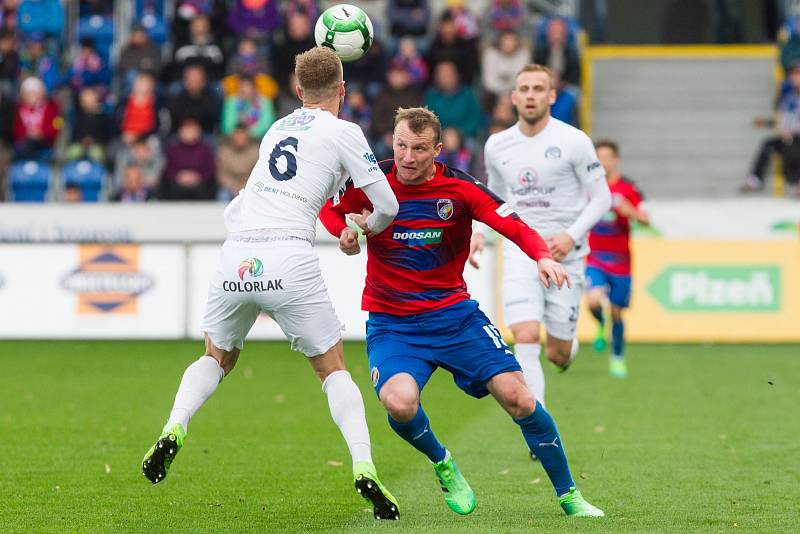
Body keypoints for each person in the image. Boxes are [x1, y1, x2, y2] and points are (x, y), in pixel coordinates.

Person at [141, 46, 401, 521]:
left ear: (297, 90)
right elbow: (387, 204)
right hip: (289, 255)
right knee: (333, 369)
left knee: (215, 356)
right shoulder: (345, 130)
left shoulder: (278, 127)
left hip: (236, 253)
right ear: (342, 90)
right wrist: (363, 227)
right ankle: (364, 465)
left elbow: (241, 204)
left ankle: (174, 426)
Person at [319, 107, 604, 518]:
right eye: (401, 145)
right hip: (393, 323)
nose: (408, 156)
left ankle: (569, 495)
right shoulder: (371, 181)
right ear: (392, 143)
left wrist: (541, 256)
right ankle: (442, 462)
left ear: (437, 149)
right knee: (398, 402)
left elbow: (514, 225)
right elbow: (328, 207)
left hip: (455, 317)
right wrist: (344, 232)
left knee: (519, 397)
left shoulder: (460, 189)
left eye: (419, 148)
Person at [470, 65, 611, 411]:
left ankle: (566, 345)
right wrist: (479, 232)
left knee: (558, 354)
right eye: (524, 89)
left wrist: (570, 235)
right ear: (514, 97)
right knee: (526, 335)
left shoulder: (574, 141)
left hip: (567, 254)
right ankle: (540, 422)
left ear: (551, 96)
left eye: (538, 89)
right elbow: (495, 200)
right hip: (521, 251)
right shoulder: (498, 145)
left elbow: (603, 197)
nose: (530, 95)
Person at [585, 140, 648, 378]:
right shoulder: (588, 188)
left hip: (621, 262)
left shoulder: (630, 188)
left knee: (617, 312)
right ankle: (600, 324)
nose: (603, 162)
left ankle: (617, 358)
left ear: (615, 160)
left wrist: (628, 210)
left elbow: (646, 219)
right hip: (595, 258)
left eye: (607, 157)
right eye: (598, 158)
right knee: (592, 301)